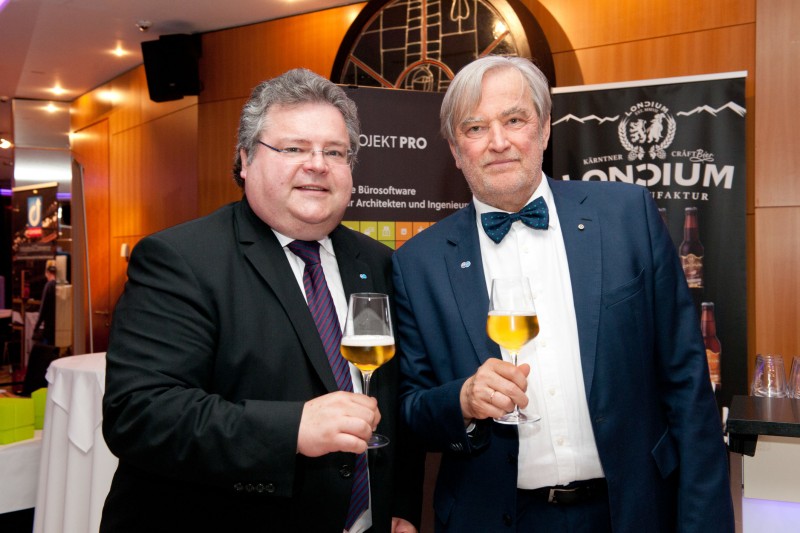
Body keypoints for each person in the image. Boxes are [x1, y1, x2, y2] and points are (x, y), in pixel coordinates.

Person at [392, 56, 734, 532]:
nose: (498, 141)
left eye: (515, 120)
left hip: (630, 510)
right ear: (454, 148)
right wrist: (462, 400)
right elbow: (408, 409)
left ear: (546, 127)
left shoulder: (628, 216)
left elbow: (687, 383)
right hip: (494, 518)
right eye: (475, 128)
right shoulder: (417, 263)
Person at [101, 68, 422, 533]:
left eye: (335, 152)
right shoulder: (180, 259)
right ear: (245, 159)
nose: (317, 164)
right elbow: (140, 415)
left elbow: (393, 399)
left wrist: (399, 505)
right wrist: (293, 429)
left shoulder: (377, 261)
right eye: (293, 148)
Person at [32, 260, 56, 345]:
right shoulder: (60, 285)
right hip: (58, 329)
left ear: (47, 272)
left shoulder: (48, 286)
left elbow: (43, 310)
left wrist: (36, 328)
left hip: (49, 330)